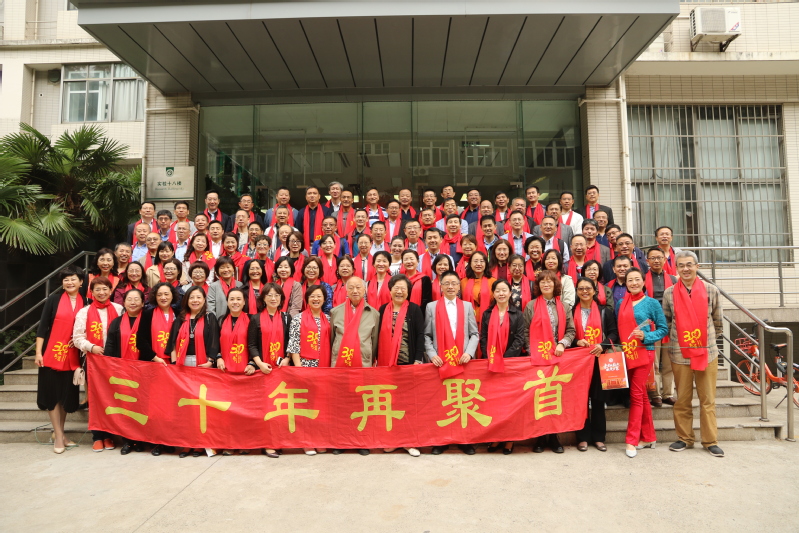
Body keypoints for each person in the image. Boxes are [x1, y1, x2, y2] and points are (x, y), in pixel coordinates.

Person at [662, 251, 724, 457]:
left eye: (689, 264)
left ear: (697, 266)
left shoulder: (711, 290)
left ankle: (710, 441)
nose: (685, 269)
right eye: (681, 265)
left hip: (707, 352)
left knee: (708, 400)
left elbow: (718, 321)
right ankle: (685, 438)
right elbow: (667, 321)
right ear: (676, 268)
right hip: (680, 353)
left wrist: (703, 341)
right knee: (682, 399)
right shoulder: (669, 293)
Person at [424, 270, 480, 455]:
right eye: (446, 283)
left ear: (458, 287)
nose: (450, 286)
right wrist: (432, 354)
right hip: (441, 363)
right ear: (440, 286)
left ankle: (464, 440)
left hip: (463, 362)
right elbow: (427, 335)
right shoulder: (431, 307)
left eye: (454, 283)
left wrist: (469, 353)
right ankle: (441, 441)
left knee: (462, 403)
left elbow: (474, 333)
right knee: (443, 404)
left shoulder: (467, 306)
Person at [615, 267, 668, 458]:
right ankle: (649, 437)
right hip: (627, 352)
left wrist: (647, 336)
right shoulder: (620, 303)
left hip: (645, 352)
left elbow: (663, 329)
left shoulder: (652, 303)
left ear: (644, 282)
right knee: (643, 395)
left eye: (637, 279)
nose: (634, 283)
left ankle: (632, 440)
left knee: (636, 395)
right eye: (630, 280)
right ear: (626, 283)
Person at [35, 266, 88, 454]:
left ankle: (61, 433)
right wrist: (38, 352)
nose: (70, 282)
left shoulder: (86, 302)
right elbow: (43, 326)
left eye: (73, 279)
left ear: (81, 282)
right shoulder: (54, 299)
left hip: (73, 356)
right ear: (62, 283)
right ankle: (58, 436)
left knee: (65, 396)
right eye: (66, 279)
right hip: (51, 353)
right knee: (52, 395)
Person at [523, 270, 575, 453]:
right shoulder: (531, 306)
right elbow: (526, 332)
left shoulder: (564, 306)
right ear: (538, 286)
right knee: (539, 399)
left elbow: (571, 331)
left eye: (549, 281)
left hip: (558, 359)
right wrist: (533, 352)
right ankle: (539, 438)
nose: (546, 284)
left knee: (554, 399)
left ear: (555, 284)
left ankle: (554, 438)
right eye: (542, 282)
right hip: (538, 360)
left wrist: (562, 343)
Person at [165, 286, 220, 458]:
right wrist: (175, 364)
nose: (195, 300)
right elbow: (172, 343)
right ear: (187, 300)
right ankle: (187, 443)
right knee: (186, 407)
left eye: (198, 297)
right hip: (183, 366)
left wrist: (211, 361)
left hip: (203, 365)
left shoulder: (210, 317)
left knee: (201, 406)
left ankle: (200, 444)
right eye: (191, 297)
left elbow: (214, 341)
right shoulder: (180, 319)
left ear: (204, 300)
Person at [72, 277, 124, 452]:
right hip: (94, 361)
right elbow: (77, 337)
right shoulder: (84, 312)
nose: (101, 292)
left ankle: (109, 435)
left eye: (105, 289)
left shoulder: (119, 309)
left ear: (110, 291)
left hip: (115, 361)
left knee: (112, 398)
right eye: (97, 289)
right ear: (91, 292)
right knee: (96, 398)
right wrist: (91, 347)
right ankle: (97, 436)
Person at [375, 275, 425, 457]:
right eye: (396, 287)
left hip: (407, 364)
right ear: (390, 290)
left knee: (408, 404)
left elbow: (420, 335)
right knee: (390, 403)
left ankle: (409, 441)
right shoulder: (382, 309)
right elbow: (376, 336)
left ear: (408, 291)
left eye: (403, 288)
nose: (399, 291)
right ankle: (392, 440)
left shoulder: (414, 309)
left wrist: (418, 359)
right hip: (387, 365)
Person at [330, 278, 380, 450]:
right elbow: (332, 339)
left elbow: (374, 341)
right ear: (346, 291)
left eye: (359, 287)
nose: (355, 291)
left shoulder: (373, 314)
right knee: (341, 404)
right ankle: (340, 441)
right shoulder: (336, 312)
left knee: (362, 404)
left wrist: (369, 360)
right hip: (340, 365)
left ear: (365, 290)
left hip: (362, 365)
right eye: (351, 287)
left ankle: (361, 441)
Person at [573, 277, 620, 453]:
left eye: (588, 288)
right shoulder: (571, 311)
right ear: (577, 292)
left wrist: (603, 345)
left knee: (599, 400)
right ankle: (582, 437)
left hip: (600, 360)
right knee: (581, 400)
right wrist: (577, 341)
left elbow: (614, 333)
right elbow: (567, 334)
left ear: (594, 291)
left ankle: (599, 437)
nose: (584, 291)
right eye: (581, 289)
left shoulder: (604, 311)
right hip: (579, 363)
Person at [481, 279, 526, 454]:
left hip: (510, 364)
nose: (501, 293)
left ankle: (509, 439)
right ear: (493, 294)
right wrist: (491, 357)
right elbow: (483, 337)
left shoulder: (518, 314)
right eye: (497, 290)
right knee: (494, 404)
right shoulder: (487, 314)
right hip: (491, 364)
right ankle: (496, 438)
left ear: (510, 293)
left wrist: (505, 359)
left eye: (504, 290)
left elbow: (519, 339)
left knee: (510, 404)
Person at [104, 288, 151, 454]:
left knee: (143, 406)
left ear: (143, 303)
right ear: (123, 302)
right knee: (125, 406)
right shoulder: (116, 322)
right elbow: (110, 345)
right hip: (122, 372)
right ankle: (128, 441)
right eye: (129, 299)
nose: (133, 302)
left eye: (136, 299)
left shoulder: (148, 321)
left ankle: (141, 440)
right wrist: (109, 366)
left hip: (144, 370)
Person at [246, 283, 291, 455]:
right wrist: (259, 364)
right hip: (263, 371)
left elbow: (291, 343)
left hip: (281, 371)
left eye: (277, 295)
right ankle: (267, 443)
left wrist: (287, 359)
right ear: (263, 298)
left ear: (281, 299)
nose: (273, 298)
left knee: (280, 408)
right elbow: (251, 345)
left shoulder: (286, 318)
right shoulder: (255, 319)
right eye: (270, 295)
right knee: (265, 409)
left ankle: (278, 440)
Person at [287, 285, 331, 456]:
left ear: (324, 299)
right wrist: (299, 369)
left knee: (321, 405)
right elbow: (294, 345)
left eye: (319, 296)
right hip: (306, 367)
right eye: (312, 296)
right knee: (306, 405)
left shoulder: (329, 319)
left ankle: (320, 439)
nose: (316, 299)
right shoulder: (298, 319)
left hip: (324, 368)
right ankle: (307, 441)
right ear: (307, 299)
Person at [137, 282, 179, 456]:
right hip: (154, 365)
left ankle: (170, 440)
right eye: (160, 294)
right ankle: (157, 441)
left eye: (166, 294)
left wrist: (174, 362)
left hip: (174, 367)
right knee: (156, 407)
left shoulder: (179, 314)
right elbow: (141, 341)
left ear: (172, 295)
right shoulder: (147, 314)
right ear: (155, 296)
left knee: (172, 407)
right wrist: (156, 358)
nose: (163, 297)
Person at [645, 247, 678, 407]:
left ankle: (668, 394)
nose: (656, 260)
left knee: (669, 361)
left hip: (670, 324)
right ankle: (655, 394)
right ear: (647, 261)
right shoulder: (642, 279)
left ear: (665, 260)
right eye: (653, 258)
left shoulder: (673, 280)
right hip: (652, 326)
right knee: (654, 362)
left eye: (659, 257)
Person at [217, 288, 251, 377]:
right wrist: (218, 357)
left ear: (244, 302)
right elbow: (216, 343)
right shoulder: (221, 320)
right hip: (223, 368)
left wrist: (252, 363)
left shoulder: (251, 319)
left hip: (247, 369)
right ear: (227, 302)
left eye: (238, 299)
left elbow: (255, 344)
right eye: (232, 299)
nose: (235, 302)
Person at [461, 251, 494, 340]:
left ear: (486, 264)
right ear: (470, 264)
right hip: (468, 322)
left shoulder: (493, 282)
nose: (478, 264)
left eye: (482, 261)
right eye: (475, 261)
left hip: (488, 321)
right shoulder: (463, 282)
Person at [295, 186, 330, 250]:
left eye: (314, 193)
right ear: (306, 197)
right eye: (309, 193)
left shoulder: (326, 211)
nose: (312, 195)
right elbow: (298, 230)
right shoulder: (301, 212)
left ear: (319, 196)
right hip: (306, 245)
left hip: (323, 244)